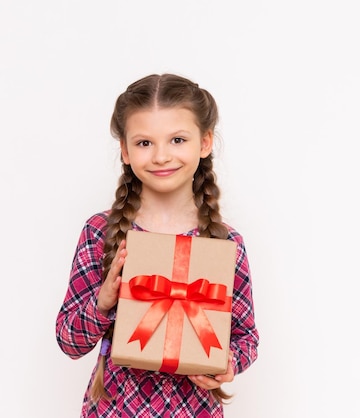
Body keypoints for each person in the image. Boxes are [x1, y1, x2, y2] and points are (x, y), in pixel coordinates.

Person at [56, 73, 259, 417]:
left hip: (195, 410)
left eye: (178, 140)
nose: (161, 156)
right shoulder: (100, 232)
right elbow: (68, 341)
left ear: (205, 142)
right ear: (124, 150)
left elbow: (246, 337)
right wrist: (102, 303)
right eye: (144, 143)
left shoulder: (225, 245)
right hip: (116, 408)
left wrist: (228, 362)